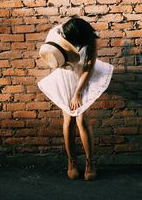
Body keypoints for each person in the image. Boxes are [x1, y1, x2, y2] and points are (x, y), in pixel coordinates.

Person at [38, 17, 114, 181]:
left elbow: (89, 67)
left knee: (81, 119)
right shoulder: (56, 35)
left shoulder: (89, 39)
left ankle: (90, 163)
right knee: (69, 119)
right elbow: (52, 59)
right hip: (65, 76)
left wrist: (77, 93)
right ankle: (71, 162)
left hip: (83, 78)